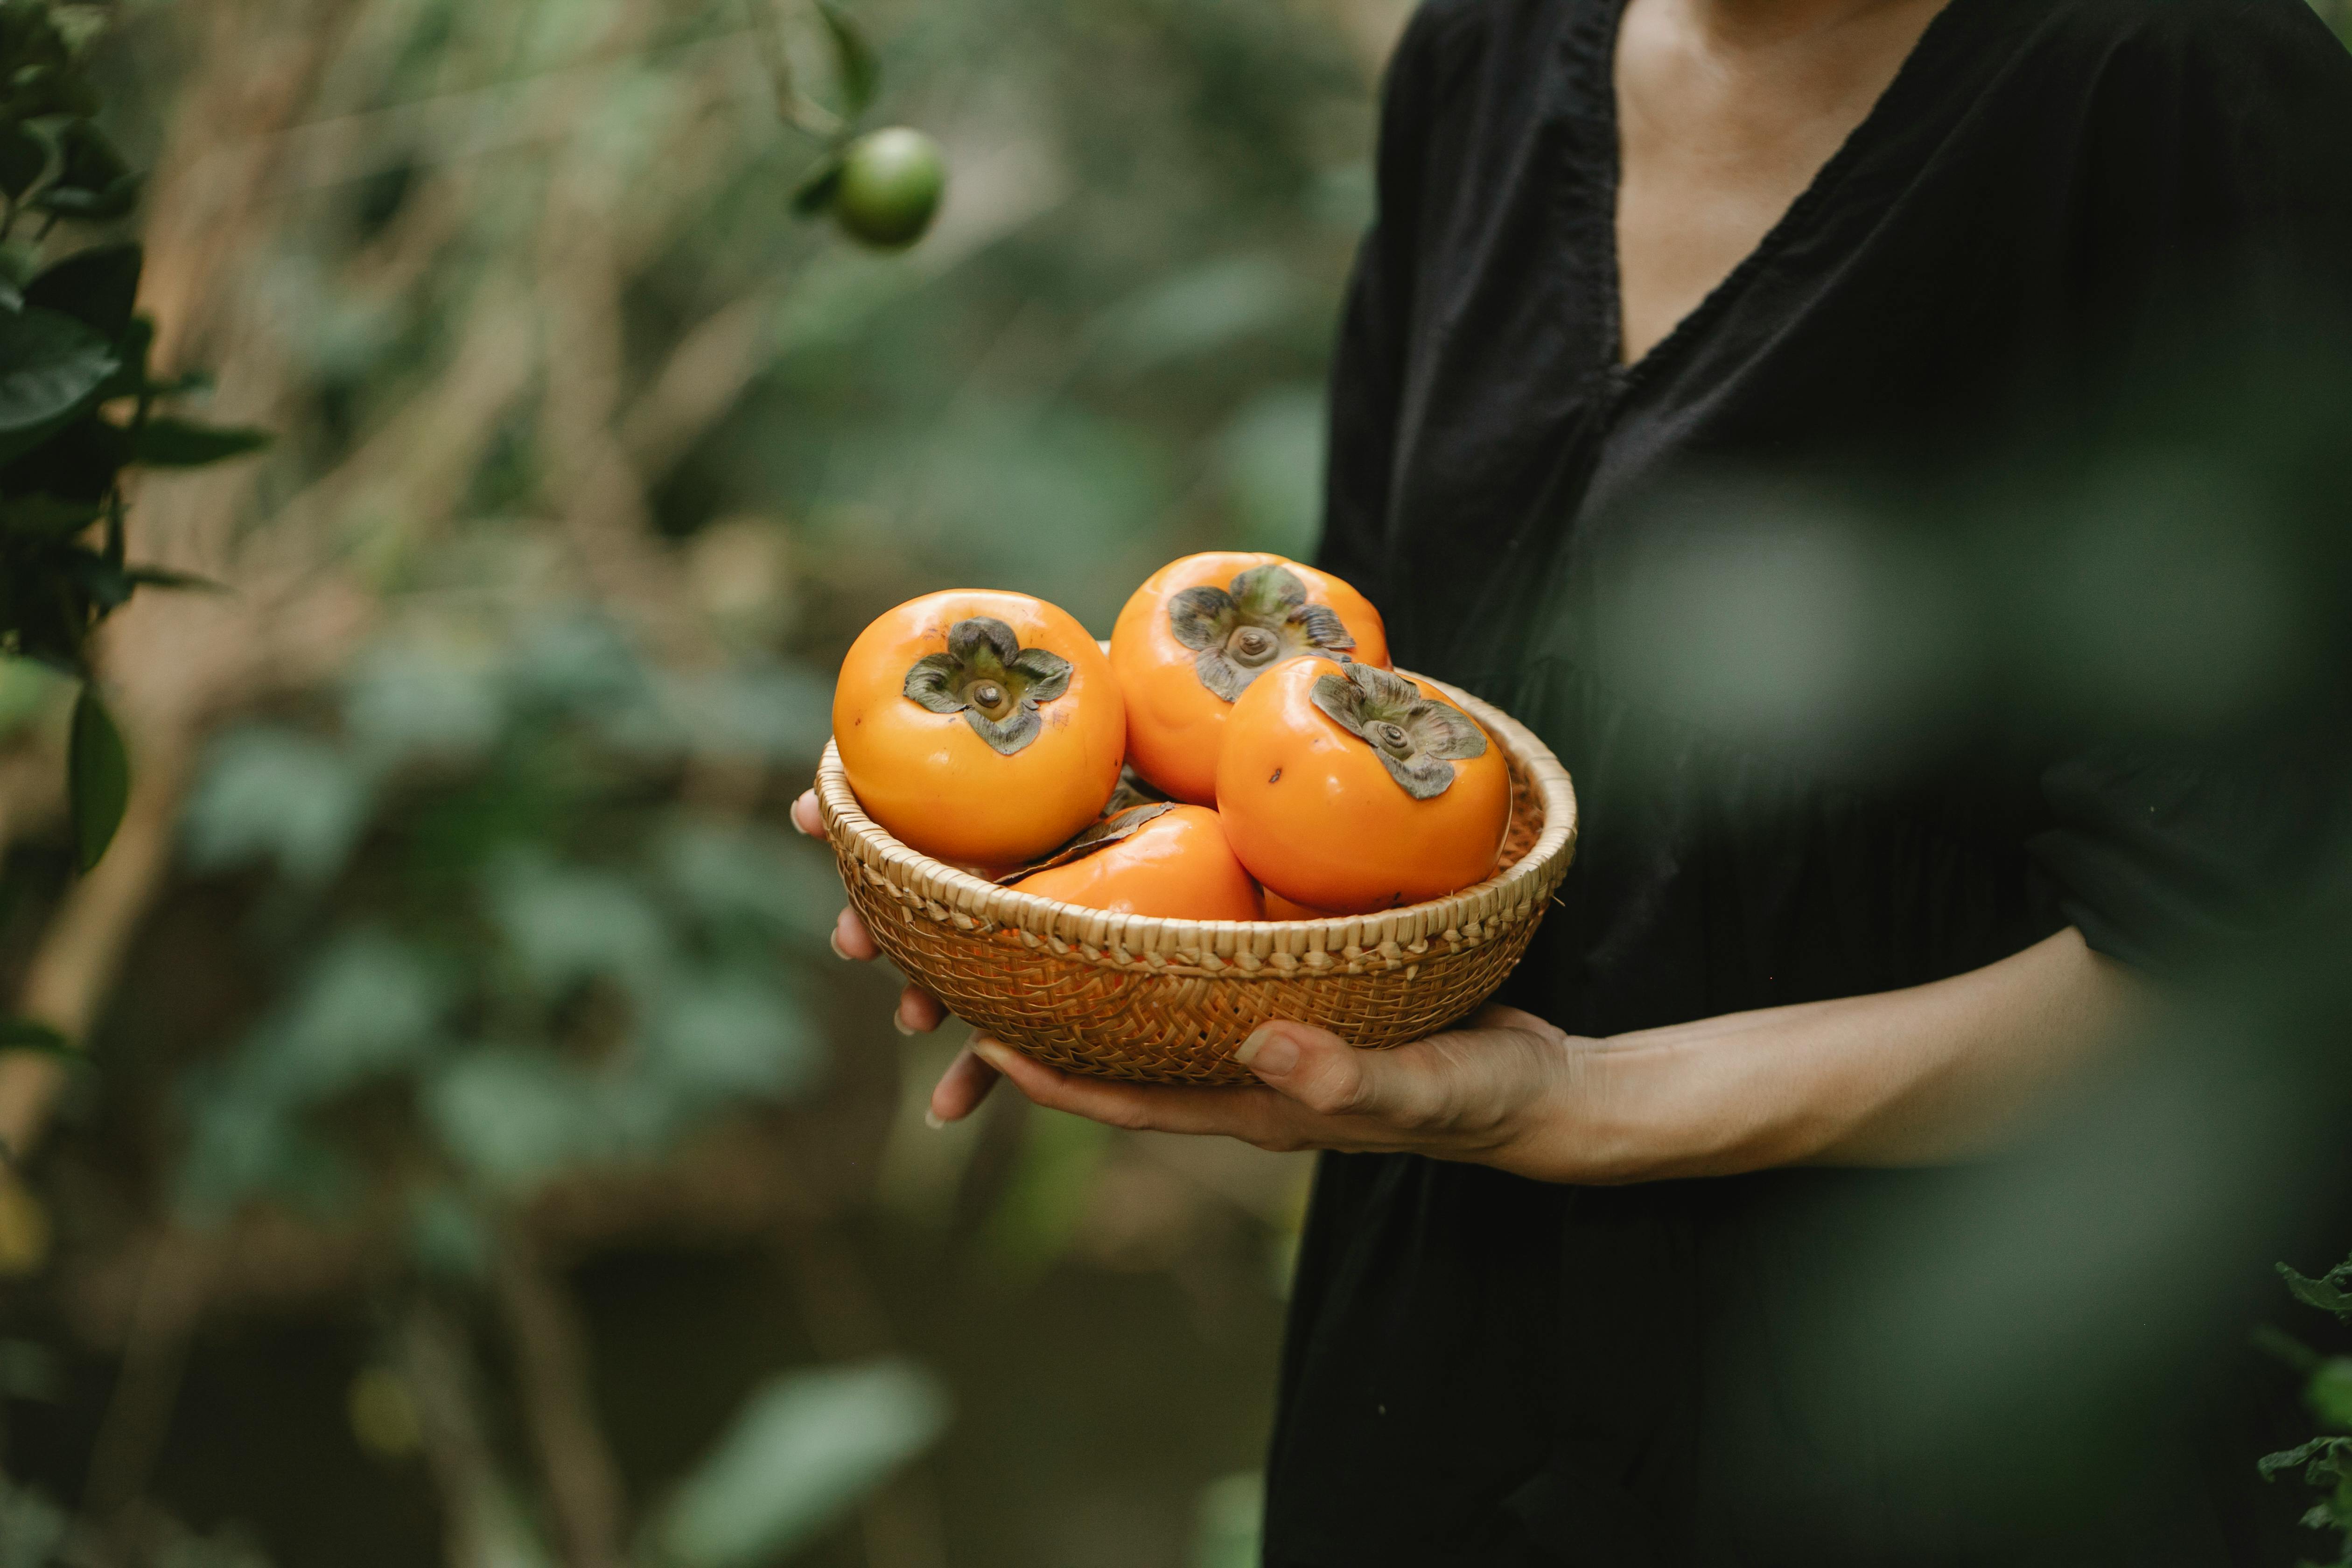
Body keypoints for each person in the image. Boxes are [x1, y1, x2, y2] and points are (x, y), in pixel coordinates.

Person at [795, 0, 2352, 1560]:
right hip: (1443, 1377)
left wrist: (1594, 1103)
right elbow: (1328, 731)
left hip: (1954, 1432)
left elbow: (2251, 966)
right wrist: (1039, 884)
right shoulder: (1481, 57)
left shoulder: (2181, 82)